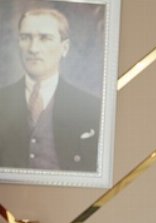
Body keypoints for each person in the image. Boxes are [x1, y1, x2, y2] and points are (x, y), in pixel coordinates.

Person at [0, 7, 100, 171]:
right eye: (25, 37)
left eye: (45, 38)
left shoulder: (92, 108)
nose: (33, 48)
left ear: (64, 48)